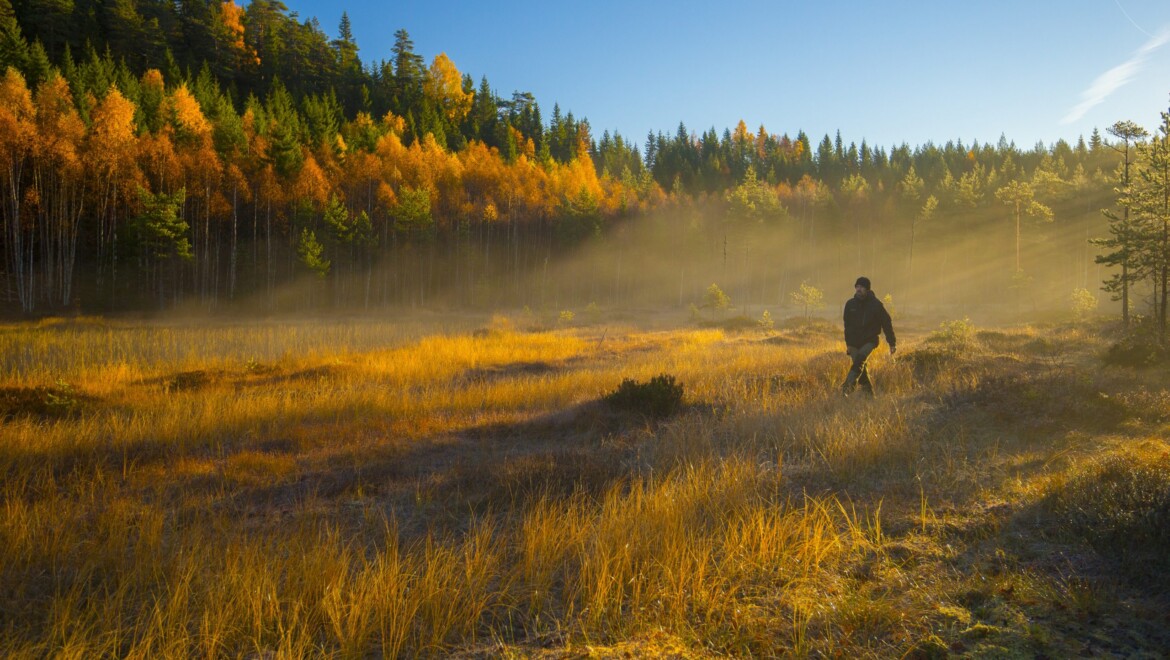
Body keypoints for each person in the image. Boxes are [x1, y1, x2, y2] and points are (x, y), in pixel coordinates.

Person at [841, 276, 896, 396]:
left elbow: (886, 322)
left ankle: (847, 386)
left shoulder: (876, 305)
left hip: (869, 340)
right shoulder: (850, 304)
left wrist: (891, 342)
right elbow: (847, 325)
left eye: (861, 287)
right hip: (854, 342)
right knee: (860, 367)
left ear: (867, 289)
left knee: (860, 360)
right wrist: (848, 344)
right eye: (857, 287)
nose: (858, 289)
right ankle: (869, 395)